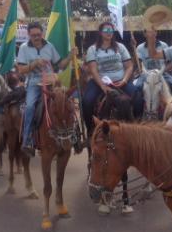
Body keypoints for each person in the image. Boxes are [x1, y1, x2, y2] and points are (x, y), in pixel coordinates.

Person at [16, 21, 76, 157]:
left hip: (52, 83)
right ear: (29, 35)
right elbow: (21, 70)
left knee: (67, 103)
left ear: (42, 33)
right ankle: (28, 140)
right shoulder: (24, 48)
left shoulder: (49, 46)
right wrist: (35, 63)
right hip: (34, 83)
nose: (36, 37)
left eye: (38, 34)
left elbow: (60, 65)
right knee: (30, 106)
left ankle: (74, 136)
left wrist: (70, 56)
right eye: (33, 35)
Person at [82, 21, 142, 135]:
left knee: (138, 99)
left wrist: (124, 80)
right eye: (106, 30)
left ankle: (138, 128)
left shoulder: (120, 47)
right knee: (87, 101)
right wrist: (103, 86)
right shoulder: (92, 49)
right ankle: (90, 130)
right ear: (100, 33)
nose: (109, 33)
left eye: (111, 30)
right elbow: (93, 70)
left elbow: (129, 66)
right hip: (99, 82)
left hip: (121, 81)